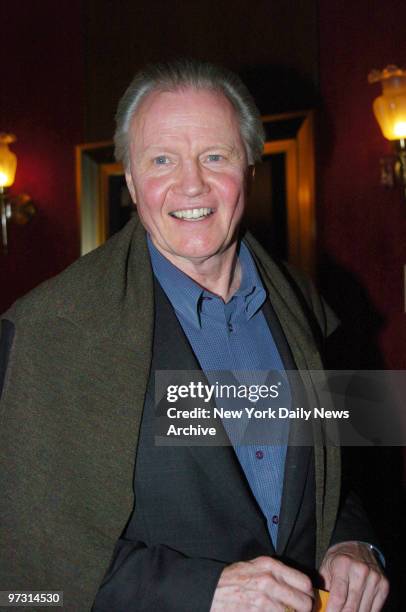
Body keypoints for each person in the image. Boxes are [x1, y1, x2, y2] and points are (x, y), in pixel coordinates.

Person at [0, 60, 389, 612]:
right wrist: (198, 591)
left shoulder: (308, 304)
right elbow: (22, 571)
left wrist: (352, 539)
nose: (191, 184)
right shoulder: (45, 333)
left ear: (250, 169)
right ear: (132, 181)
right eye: (162, 160)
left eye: (214, 156)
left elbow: (348, 464)